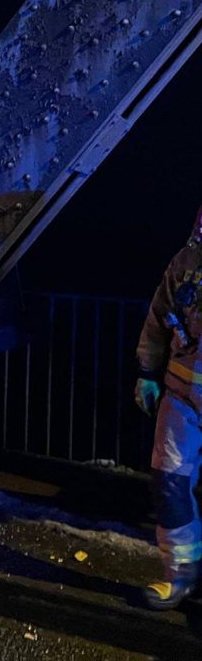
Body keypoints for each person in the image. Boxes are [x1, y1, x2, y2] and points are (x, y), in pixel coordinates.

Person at [137, 207, 202, 609]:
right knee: (169, 482)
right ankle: (180, 574)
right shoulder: (187, 261)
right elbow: (159, 318)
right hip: (182, 395)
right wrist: (145, 371)